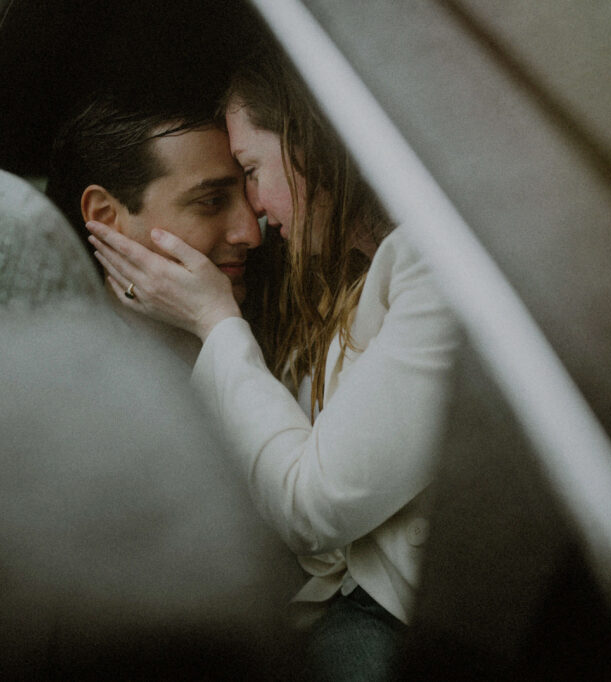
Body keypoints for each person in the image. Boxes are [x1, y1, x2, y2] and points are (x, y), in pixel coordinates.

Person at [86, 45, 462, 681]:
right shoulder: (312, 292)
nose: (253, 222)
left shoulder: (420, 268)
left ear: (312, 142)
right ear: (104, 218)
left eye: (253, 172)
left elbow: (312, 507)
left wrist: (215, 323)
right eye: (213, 199)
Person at [47, 93, 264, 361]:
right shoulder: (61, 373)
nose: (252, 234)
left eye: (251, 190)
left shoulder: (289, 339)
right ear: (104, 215)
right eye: (212, 201)